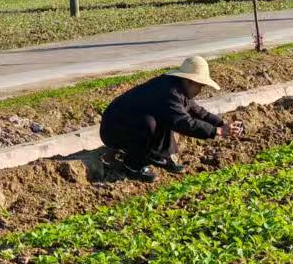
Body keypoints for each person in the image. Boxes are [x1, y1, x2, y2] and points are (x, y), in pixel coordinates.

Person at [99, 55, 243, 182]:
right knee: (151, 123)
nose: (200, 90)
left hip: (127, 124)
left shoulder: (179, 89)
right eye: (200, 85)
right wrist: (215, 131)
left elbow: (198, 112)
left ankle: (159, 156)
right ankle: (133, 165)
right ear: (189, 81)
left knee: (160, 118)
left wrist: (222, 124)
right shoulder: (170, 92)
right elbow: (184, 122)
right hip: (113, 129)